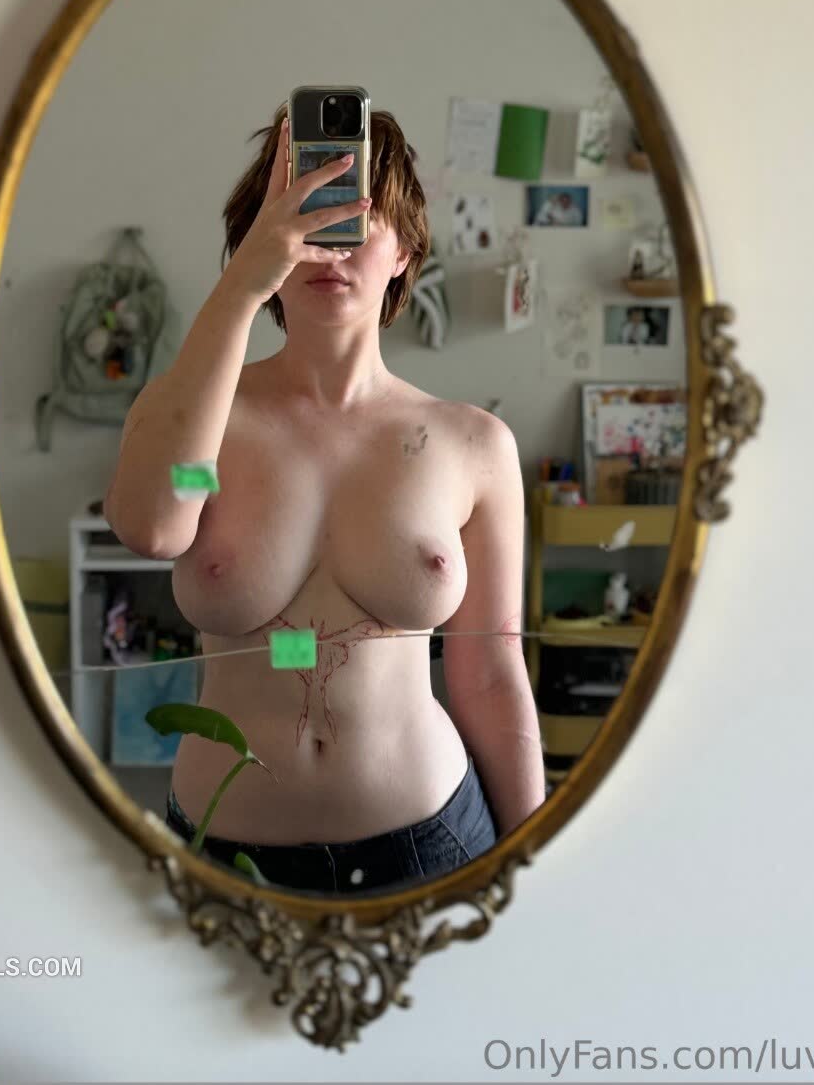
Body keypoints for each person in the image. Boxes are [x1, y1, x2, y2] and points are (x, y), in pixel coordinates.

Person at [104, 104, 546, 893]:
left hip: (431, 842)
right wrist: (243, 286)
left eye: (358, 213)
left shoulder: (471, 445)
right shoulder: (203, 431)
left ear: (404, 249)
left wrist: (535, 867)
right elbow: (158, 524)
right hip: (223, 857)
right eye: (306, 209)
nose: (330, 242)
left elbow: (490, 672)